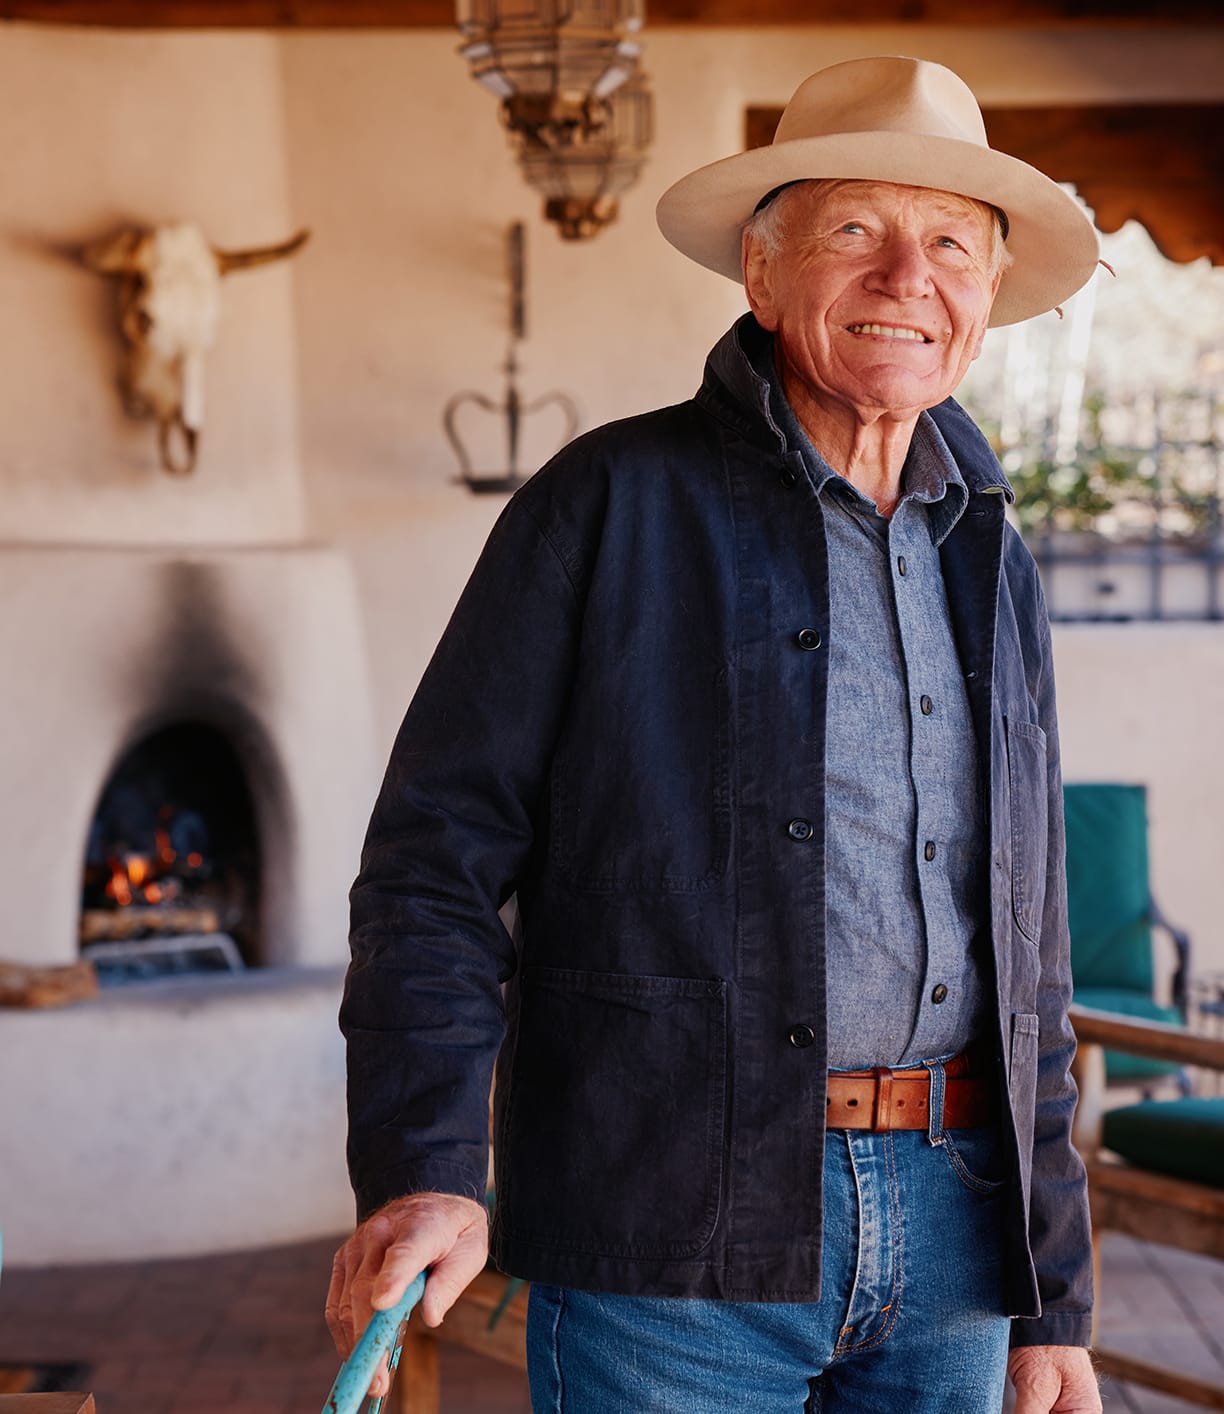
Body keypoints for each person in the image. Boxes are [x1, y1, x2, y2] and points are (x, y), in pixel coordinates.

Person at [327, 55, 1103, 1413]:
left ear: (986, 297)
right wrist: (428, 1164)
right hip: (668, 1216)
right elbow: (433, 861)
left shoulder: (993, 549)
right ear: (762, 268)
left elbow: (1030, 931)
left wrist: (1053, 1291)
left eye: (951, 245)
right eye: (857, 230)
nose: (906, 275)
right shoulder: (605, 504)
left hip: (960, 1232)